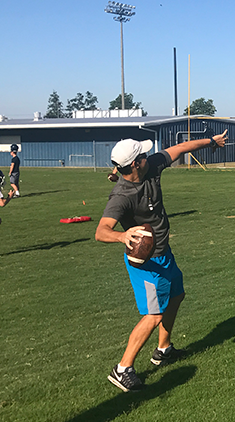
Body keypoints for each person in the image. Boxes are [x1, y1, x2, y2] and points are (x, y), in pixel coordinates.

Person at [96, 130, 227, 393]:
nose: (148, 156)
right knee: (153, 315)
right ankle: (122, 369)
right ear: (134, 164)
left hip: (164, 253)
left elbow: (182, 147)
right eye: (142, 155)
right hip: (146, 263)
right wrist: (122, 235)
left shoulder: (151, 166)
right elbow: (100, 231)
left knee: (177, 295)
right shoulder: (121, 196)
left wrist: (212, 141)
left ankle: (163, 350)